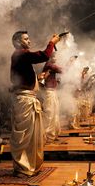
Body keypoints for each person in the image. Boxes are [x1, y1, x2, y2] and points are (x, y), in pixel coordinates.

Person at [10, 30, 60, 177]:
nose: (29, 41)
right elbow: (44, 55)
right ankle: (23, 167)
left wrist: (37, 77)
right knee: (25, 137)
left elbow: (21, 78)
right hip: (24, 101)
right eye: (26, 39)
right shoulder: (21, 54)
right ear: (18, 42)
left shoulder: (21, 56)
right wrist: (52, 42)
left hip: (27, 99)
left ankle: (29, 165)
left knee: (31, 138)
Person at [42, 53, 62, 144]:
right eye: (54, 56)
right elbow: (61, 70)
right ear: (49, 58)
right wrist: (70, 63)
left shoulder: (50, 65)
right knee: (50, 114)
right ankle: (46, 137)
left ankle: (52, 135)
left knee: (55, 113)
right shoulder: (49, 65)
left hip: (52, 91)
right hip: (49, 92)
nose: (56, 58)